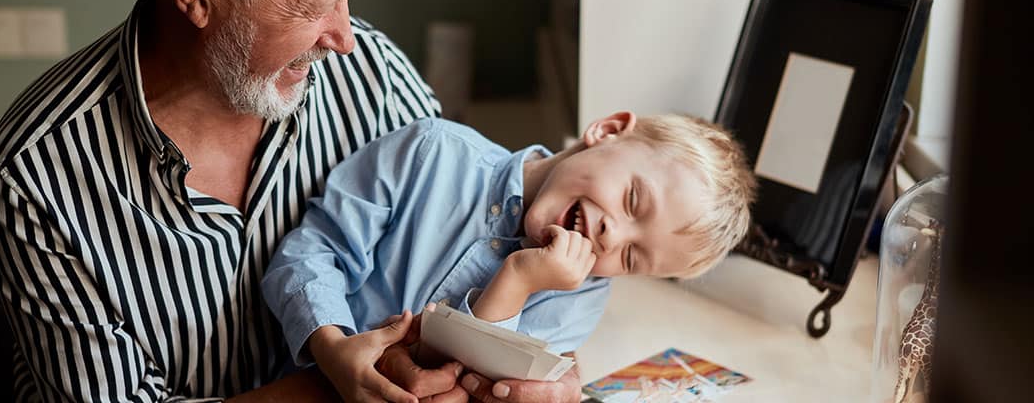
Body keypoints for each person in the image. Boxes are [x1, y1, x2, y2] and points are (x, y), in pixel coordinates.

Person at [0, 0, 473, 400]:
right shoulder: (36, 171)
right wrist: (338, 388)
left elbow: (472, 238)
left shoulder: (374, 79)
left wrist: (532, 373)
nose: (344, 39)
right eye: (313, 6)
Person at [262, 110, 757, 403]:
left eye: (631, 257)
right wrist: (331, 346)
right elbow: (311, 253)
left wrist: (517, 280)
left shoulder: (577, 300)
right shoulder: (430, 152)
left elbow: (453, 379)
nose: (611, 236)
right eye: (632, 201)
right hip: (298, 384)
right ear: (607, 130)